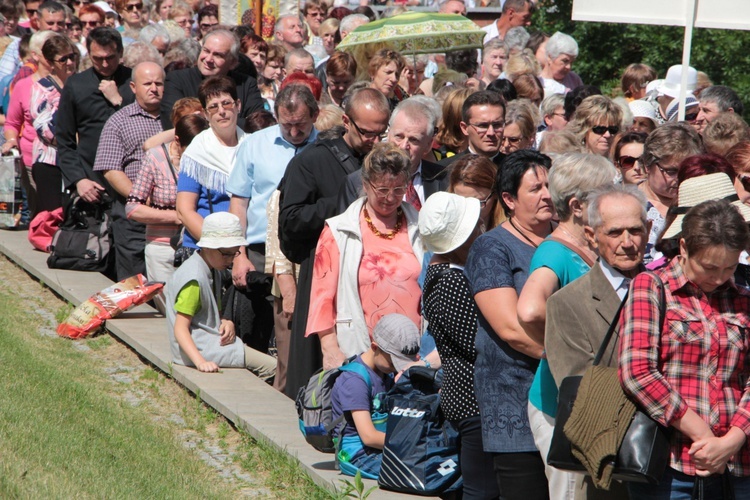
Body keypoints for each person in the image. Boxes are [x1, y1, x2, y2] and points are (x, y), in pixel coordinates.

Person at [619, 198, 750, 498]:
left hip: (737, 465)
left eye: (729, 267)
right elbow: (637, 372)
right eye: (709, 267)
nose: (718, 278)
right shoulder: (651, 287)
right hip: (670, 463)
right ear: (683, 248)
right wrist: (702, 434)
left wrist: (731, 440)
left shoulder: (743, 299)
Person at [515, 153, 616, 500]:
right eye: (605, 194)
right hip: (563, 408)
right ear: (577, 205)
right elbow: (529, 309)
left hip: (589, 404)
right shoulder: (556, 252)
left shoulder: (587, 247)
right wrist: (568, 339)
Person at [278, 87, 390, 398]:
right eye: (367, 133)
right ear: (346, 121)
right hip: (328, 274)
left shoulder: (386, 160)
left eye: (382, 132)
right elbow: (291, 222)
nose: (375, 141)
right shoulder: (311, 161)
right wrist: (342, 203)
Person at [545, 183, 649, 500]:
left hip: (682, 465)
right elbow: (583, 390)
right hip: (615, 462)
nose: (628, 243)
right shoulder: (568, 303)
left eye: (636, 230)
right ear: (592, 236)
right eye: (615, 233)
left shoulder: (669, 289)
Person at [465, 150, 553, 499]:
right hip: (514, 397)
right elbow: (510, 328)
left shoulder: (569, 240)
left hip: (569, 398)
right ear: (509, 199)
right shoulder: (492, 248)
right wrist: (565, 361)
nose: (546, 194)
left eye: (549, 185)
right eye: (535, 188)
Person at [307, 142, 423, 368]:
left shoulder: (420, 225)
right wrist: (330, 348)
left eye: (398, 189)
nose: (390, 197)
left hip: (412, 353)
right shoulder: (338, 230)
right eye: (382, 190)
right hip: (360, 350)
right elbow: (321, 299)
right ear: (365, 184)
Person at [419, 192, 497, 499]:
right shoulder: (450, 280)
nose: (480, 231)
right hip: (470, 393)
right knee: (481, 489)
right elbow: (473, 341)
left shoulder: (445, 274)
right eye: (474, 226)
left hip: (464, 390)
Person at [165, 211, 277, 381]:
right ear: (207, 247)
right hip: (201, 349)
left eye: (235, 253)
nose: (231, 260)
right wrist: (200, 362)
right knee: (273, 367)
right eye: (226, 253)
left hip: (207, 343)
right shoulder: (194, 279)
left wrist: (226, 321)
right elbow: (180, 329)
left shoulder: (209, 266)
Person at [127, 111, 208, 313]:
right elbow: (133, 207)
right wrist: (178, 216)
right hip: (161, 247)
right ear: (177, 141)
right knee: (172, 312)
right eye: (189, 150)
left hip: (196, 248)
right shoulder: (155, 158)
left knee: (195, 312)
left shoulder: (207, 159)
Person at [94, 61, 164, 281]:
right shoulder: (119, 121)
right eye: (147, 83)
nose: (154, 88)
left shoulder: (174, 118)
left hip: (169, 217)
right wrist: (141, 198)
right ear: (133, 87)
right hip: (133, 216)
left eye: (159, 83)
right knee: (135, 281)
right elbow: (111, 169)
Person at [331, 313, 420, 479]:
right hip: (358, 453)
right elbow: (369, 437)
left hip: (383, 445)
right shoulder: (354, 381)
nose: (396, 368)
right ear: (374, 347)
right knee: (418, 473)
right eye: (393, 361)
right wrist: (411, 444)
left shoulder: (385, 372)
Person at [56, 27, 134, 204]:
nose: (105, 64)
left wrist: (118, 101)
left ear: (120, 52)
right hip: (91, 181)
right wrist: (78, 180)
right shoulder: (76, 85)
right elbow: (64, 139)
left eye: (110, 57)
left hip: (130, 179)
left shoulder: (133, 82)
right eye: (98, 58)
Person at [175, 76, 246, 263]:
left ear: (238, 105)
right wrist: (220, 247)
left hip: (243, 250)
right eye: (213, 106)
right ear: (206, 114)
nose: (221, 111)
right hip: (204, 249)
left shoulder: (252, 146)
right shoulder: (196, 153)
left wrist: (236, 250)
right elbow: (184, 210)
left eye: (226, 103)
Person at [337, 96, 447, 212]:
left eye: (414, 140)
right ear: (388, 134)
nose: (404, 146)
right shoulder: (356, 182)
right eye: (399, 136)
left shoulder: (443, 178)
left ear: (428, 145)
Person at [160, 29, 264, 129]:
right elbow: (173, 122)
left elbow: (257, 123)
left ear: (232, 63)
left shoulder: (246, 84)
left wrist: (204, 120)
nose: (208, 59)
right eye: (206, 51)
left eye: (218, 55)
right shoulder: (177, 79)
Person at [638, 123, 704, 263]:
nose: (679, 178)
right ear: (647, 165)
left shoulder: (700, 201)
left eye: (686, 170)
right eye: (671, 171)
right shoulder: (630, 203)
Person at [28, 34, 77, 214]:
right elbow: (44, 128)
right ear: (50, 62)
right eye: (63, 59)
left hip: (76, 161)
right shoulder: (41, 88)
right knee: (52, 214)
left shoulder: (81, 84)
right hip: (49, 161)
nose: (70, 62)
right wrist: (74, 138)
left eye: (72, 56)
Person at [439, 90, 506, 168]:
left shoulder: (517, 169)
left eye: (497, 125)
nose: (491, 133)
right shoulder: (444, 170)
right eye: (483, 126)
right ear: (464, 128)